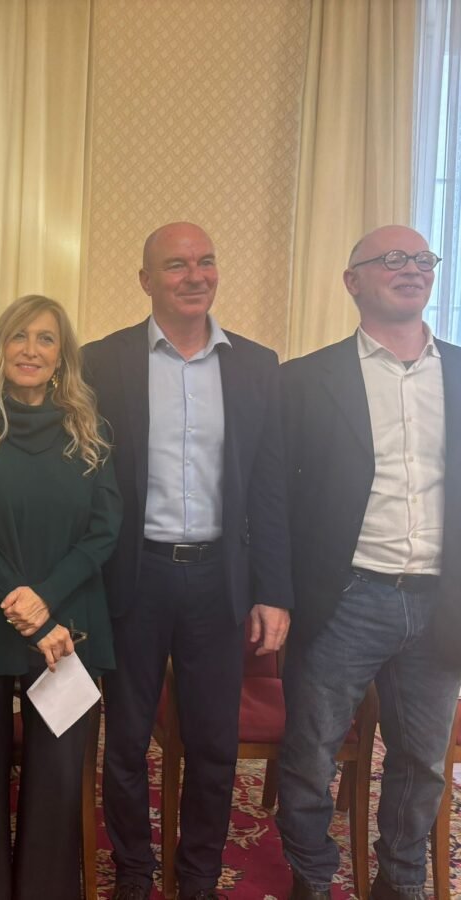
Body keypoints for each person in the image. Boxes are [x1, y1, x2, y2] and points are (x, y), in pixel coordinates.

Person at [83, 222, 293, 900]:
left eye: (206, 261)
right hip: (133, 578)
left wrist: (274, 591)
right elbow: (79, 473)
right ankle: (134, 870)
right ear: (146, 279)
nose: (195, 276)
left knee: (213, 745)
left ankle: (199, 875)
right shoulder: (102, 361)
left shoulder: (257, 365)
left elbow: (270, 488)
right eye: (176, 265)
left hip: (217, 582)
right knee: (125, 743)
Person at [276, 225, 461, 900]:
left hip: (440, 603)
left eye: (422, 259)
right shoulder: (304, 380)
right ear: (353, 282)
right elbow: (277, 499)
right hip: (345, 598)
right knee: (311, 755)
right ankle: (312, 878)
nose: (412, 268)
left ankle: (399, 881)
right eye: (392, 259)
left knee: (423, 762)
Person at [0, 294, 122, 900]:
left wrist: (45, 601)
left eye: (45, 339)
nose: (31, 350)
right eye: (19, 336)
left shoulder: (90, 432)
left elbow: (104, 530)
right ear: (0, 347)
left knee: (57, 780)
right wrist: (25, 605)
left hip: (68, 626)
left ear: (62, 357)